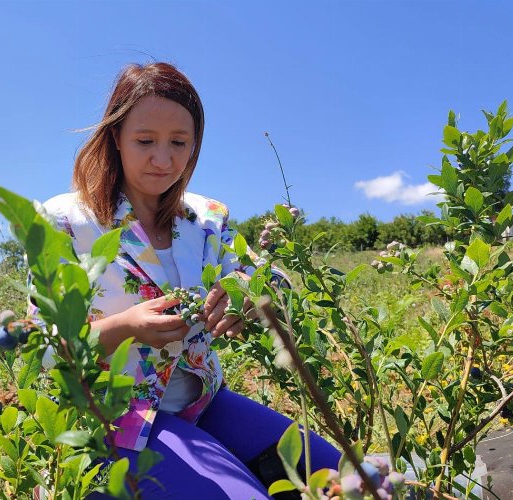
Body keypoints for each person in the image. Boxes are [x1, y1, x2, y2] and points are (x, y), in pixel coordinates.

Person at [37, 62, 340, 499]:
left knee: (342, 478)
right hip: (113, 414)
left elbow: (274, 279)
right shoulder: (67, 222)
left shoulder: (205, 219)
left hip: (202, 401)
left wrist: (244, 294)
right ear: (115, 138)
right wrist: (128, 327)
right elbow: (45, 347)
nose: (163, 159)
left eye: (179, 142)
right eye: (145, 141)